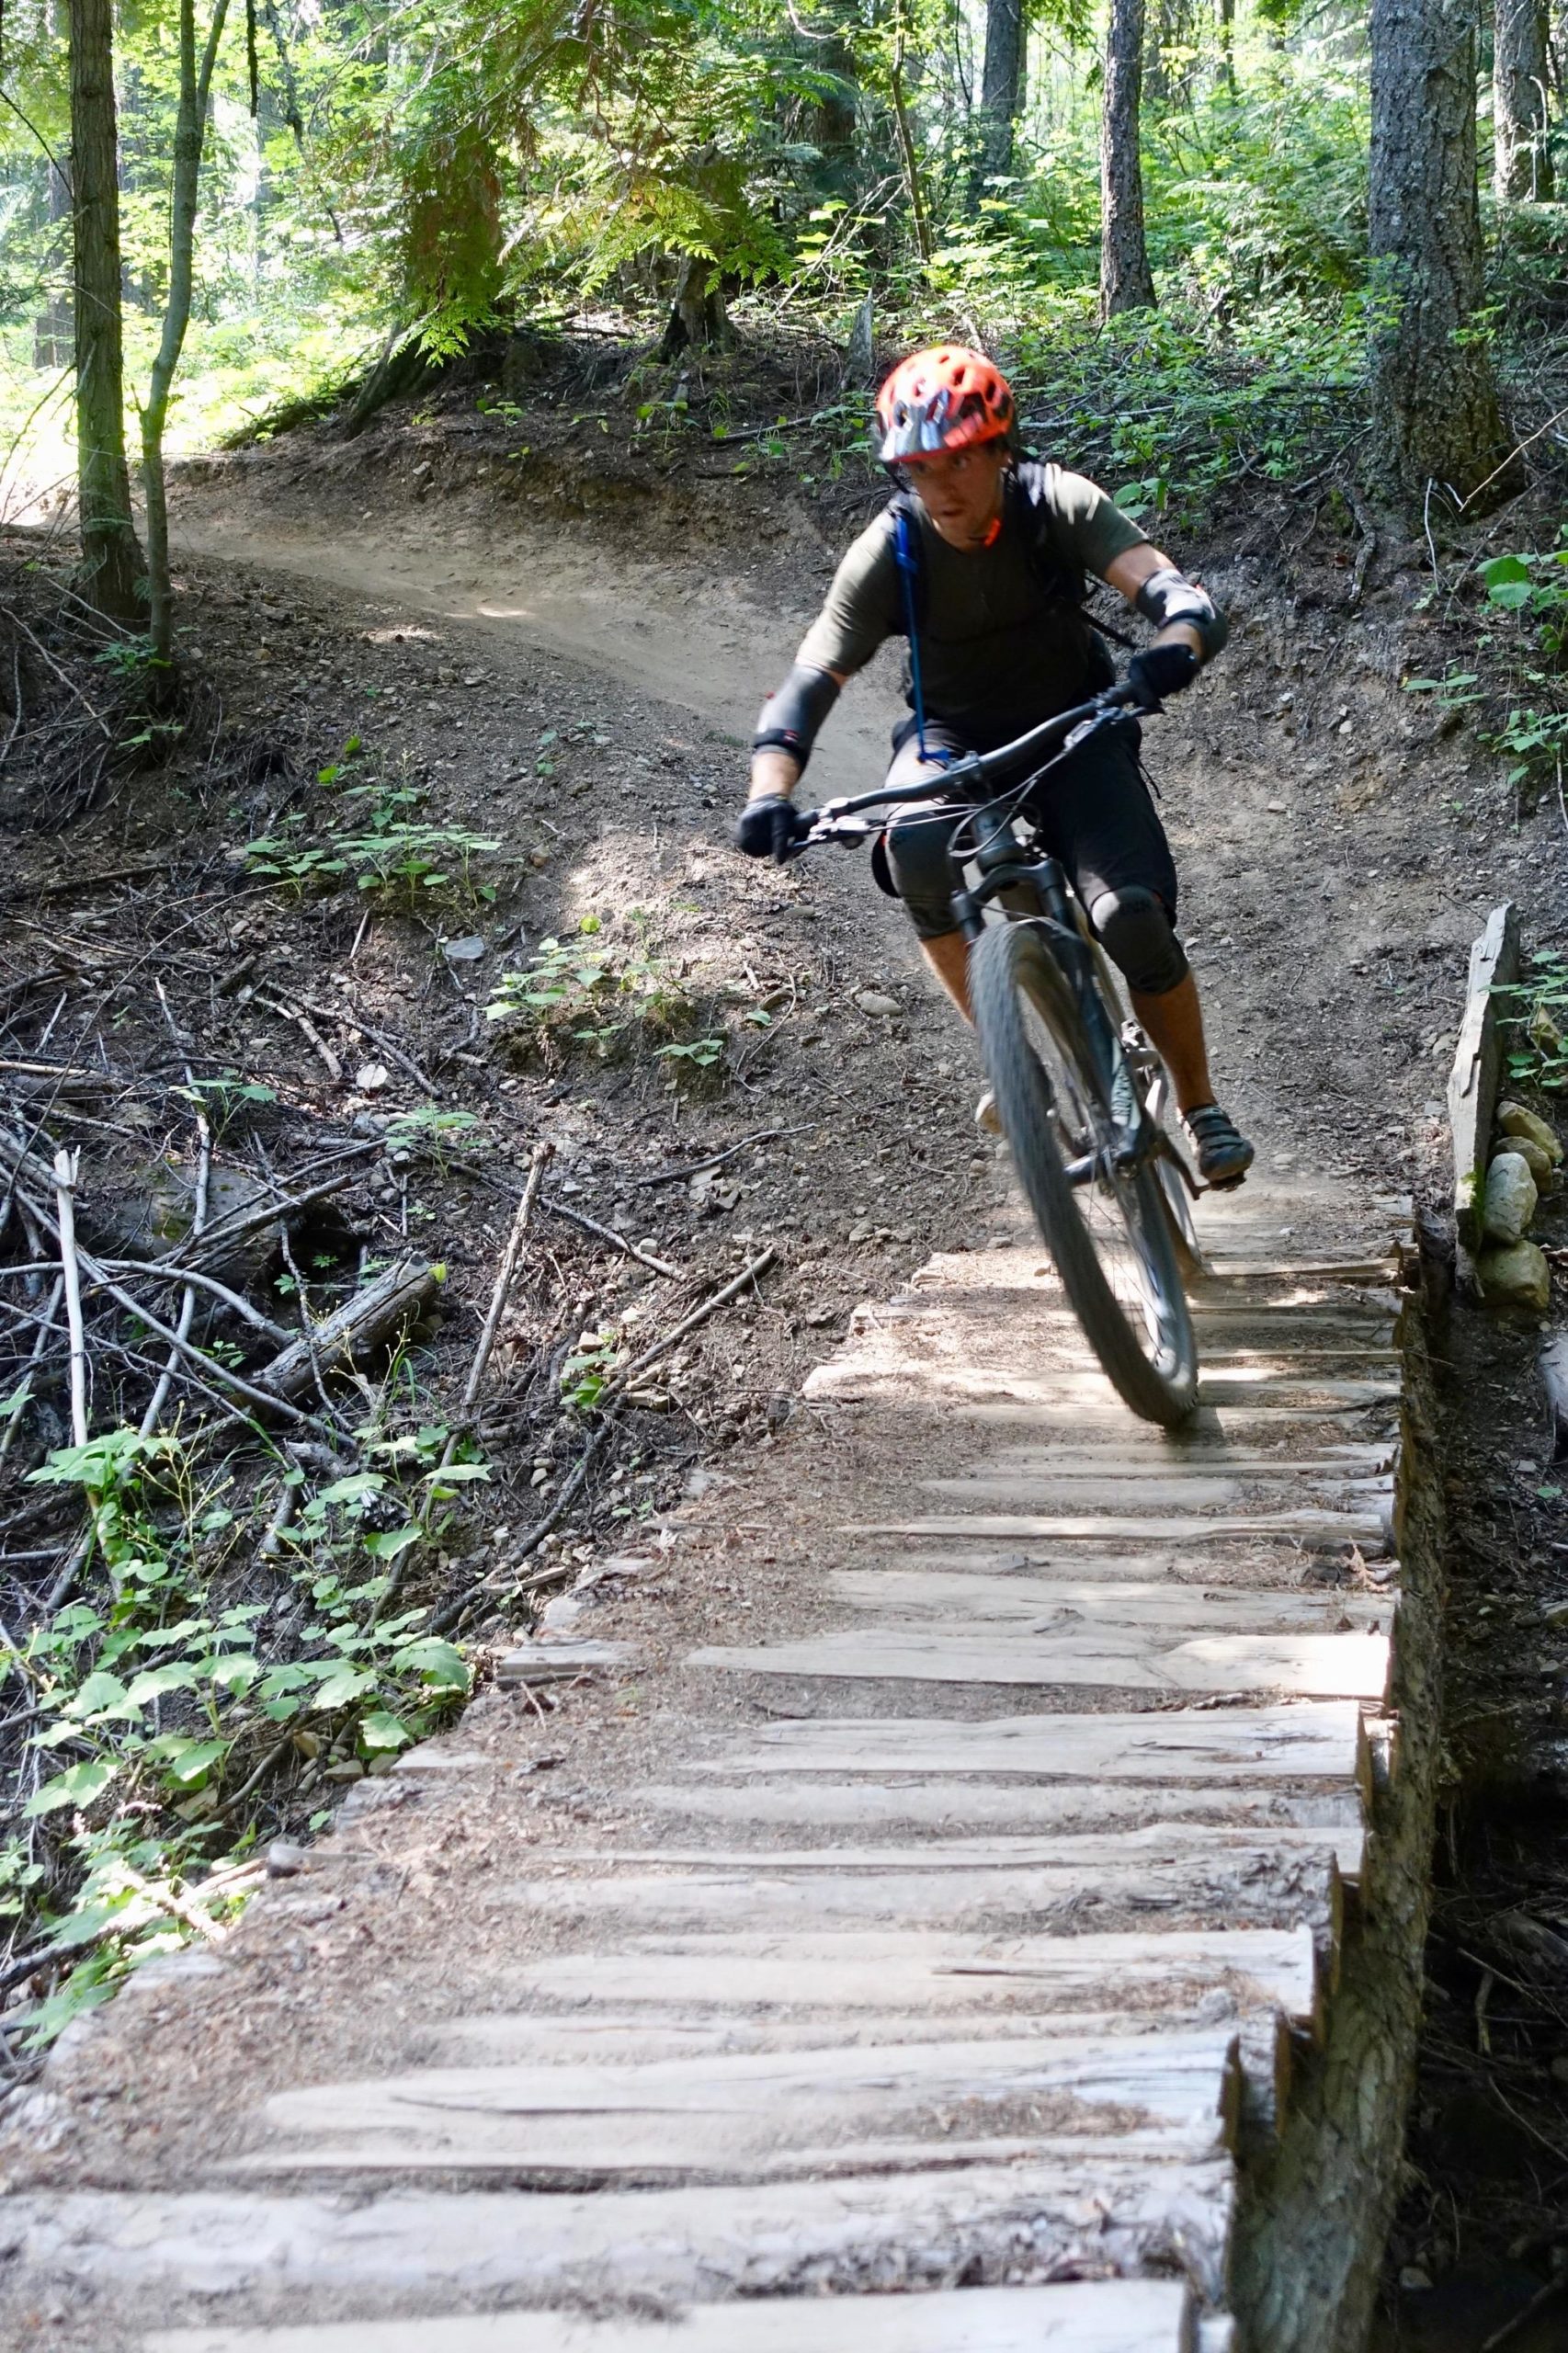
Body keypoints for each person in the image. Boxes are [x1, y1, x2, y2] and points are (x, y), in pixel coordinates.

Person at [733, 344, 1253, 1189]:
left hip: (1078, 726)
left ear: (1000, 449)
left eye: (960, 459)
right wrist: (770, 794)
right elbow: (810, 680)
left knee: (1129, 919)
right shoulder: (893, 547)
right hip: (952, 739)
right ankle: (1012, 1063)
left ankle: (1200, 1106)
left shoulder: (1055, 503)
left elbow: (1169, 590)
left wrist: (1174, 648)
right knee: (916, 850)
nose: (941, 484)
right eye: (919, 467)